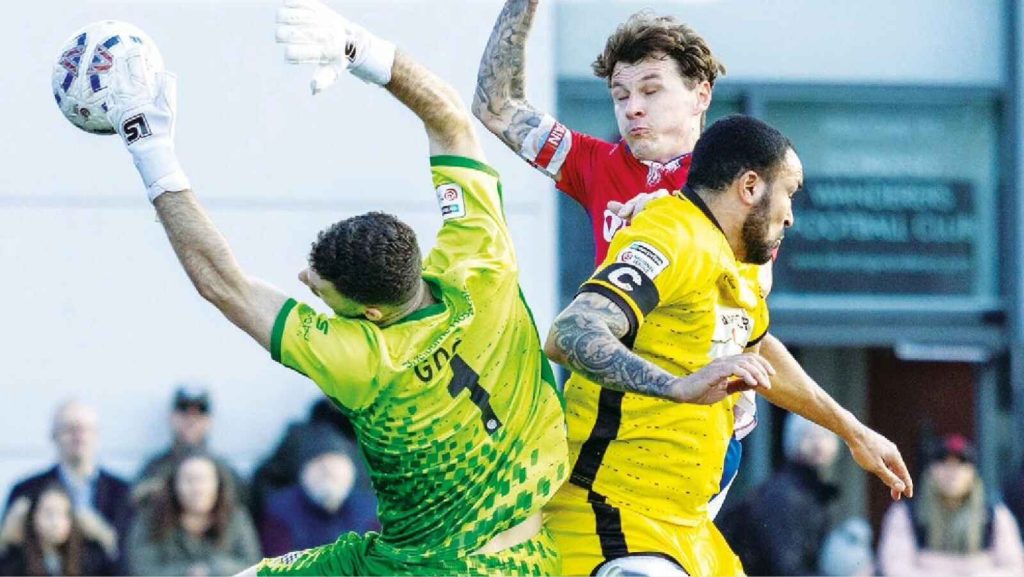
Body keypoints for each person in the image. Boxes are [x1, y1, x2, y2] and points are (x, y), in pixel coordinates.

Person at [95, 0, 571, 573]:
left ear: (370, 313)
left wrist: (152, 153)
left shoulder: (364, 360)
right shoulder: (481, 260)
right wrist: (360, 48)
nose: (304, 282)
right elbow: (450, 120)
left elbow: (222, 285)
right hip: (533, 554)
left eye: (320, 289)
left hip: (424, 565)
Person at [474, 1, 910, 522]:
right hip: (601, 423)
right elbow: (496, 105)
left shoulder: (737, 188)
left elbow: (751, 323)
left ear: (701, 94)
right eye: (620, 95)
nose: (633, 107)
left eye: (651, 90)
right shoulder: (596, 164)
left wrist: (849, 428)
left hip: (686, 442)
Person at [542, 114, 913, 576]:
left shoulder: (741, 266)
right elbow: (571, 332)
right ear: (751, 187)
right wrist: (679, 386)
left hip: (688, 528)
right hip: (612, 515)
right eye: (790, 192)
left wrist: (853, 430)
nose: (792, 214)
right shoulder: (672, 236)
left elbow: (761, 356)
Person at [2, 401, 131, 571]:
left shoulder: (122, 492)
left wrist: (104, 535)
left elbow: (133, 557)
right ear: (53, 435)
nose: (78, 436)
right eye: (70, 429)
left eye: (85, 429)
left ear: (97, 435)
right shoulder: (26, 490)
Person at [877, 434, 1024, 576]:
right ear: (931, 471)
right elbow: (895, 568)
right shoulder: (905, 514)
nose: (952, 472)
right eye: (944, 463)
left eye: (961, 464)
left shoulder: (995, 515)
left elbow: (1014, 568)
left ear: (973, 473)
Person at [718, 414, 841, 575]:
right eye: (808, 436)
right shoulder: (785, 496)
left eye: (824, 435)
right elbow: (786, 569)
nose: (818, 444)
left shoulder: (813, 494)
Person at [127, 452, 261, 576]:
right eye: (189, 480)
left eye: (204, 480)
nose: (197, 488)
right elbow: (142, 569)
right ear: (174, 485)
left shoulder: (236, 517)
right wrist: (188, 572)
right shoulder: (151, 518)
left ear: (218, 484)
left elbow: (253, 565)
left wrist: (211, 570)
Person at [259, 424, 378, 557]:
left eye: (336, 465)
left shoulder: (370, 509)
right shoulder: (281, 511)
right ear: (303, 472)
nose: (328, 472)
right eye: (319, 465)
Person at [134, 386, 247, 507]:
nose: (191, 420)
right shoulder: (153, 469)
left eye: (198, 415)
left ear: (209, 421)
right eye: (184, 414)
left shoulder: (225, 472)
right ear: (172, 418)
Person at [0, 482, 117, 576]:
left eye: (63, 514)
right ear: (33, 517)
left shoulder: (88, 561)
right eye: (49, 513)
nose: (56, 523)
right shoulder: (15, 562)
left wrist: (105, 536)